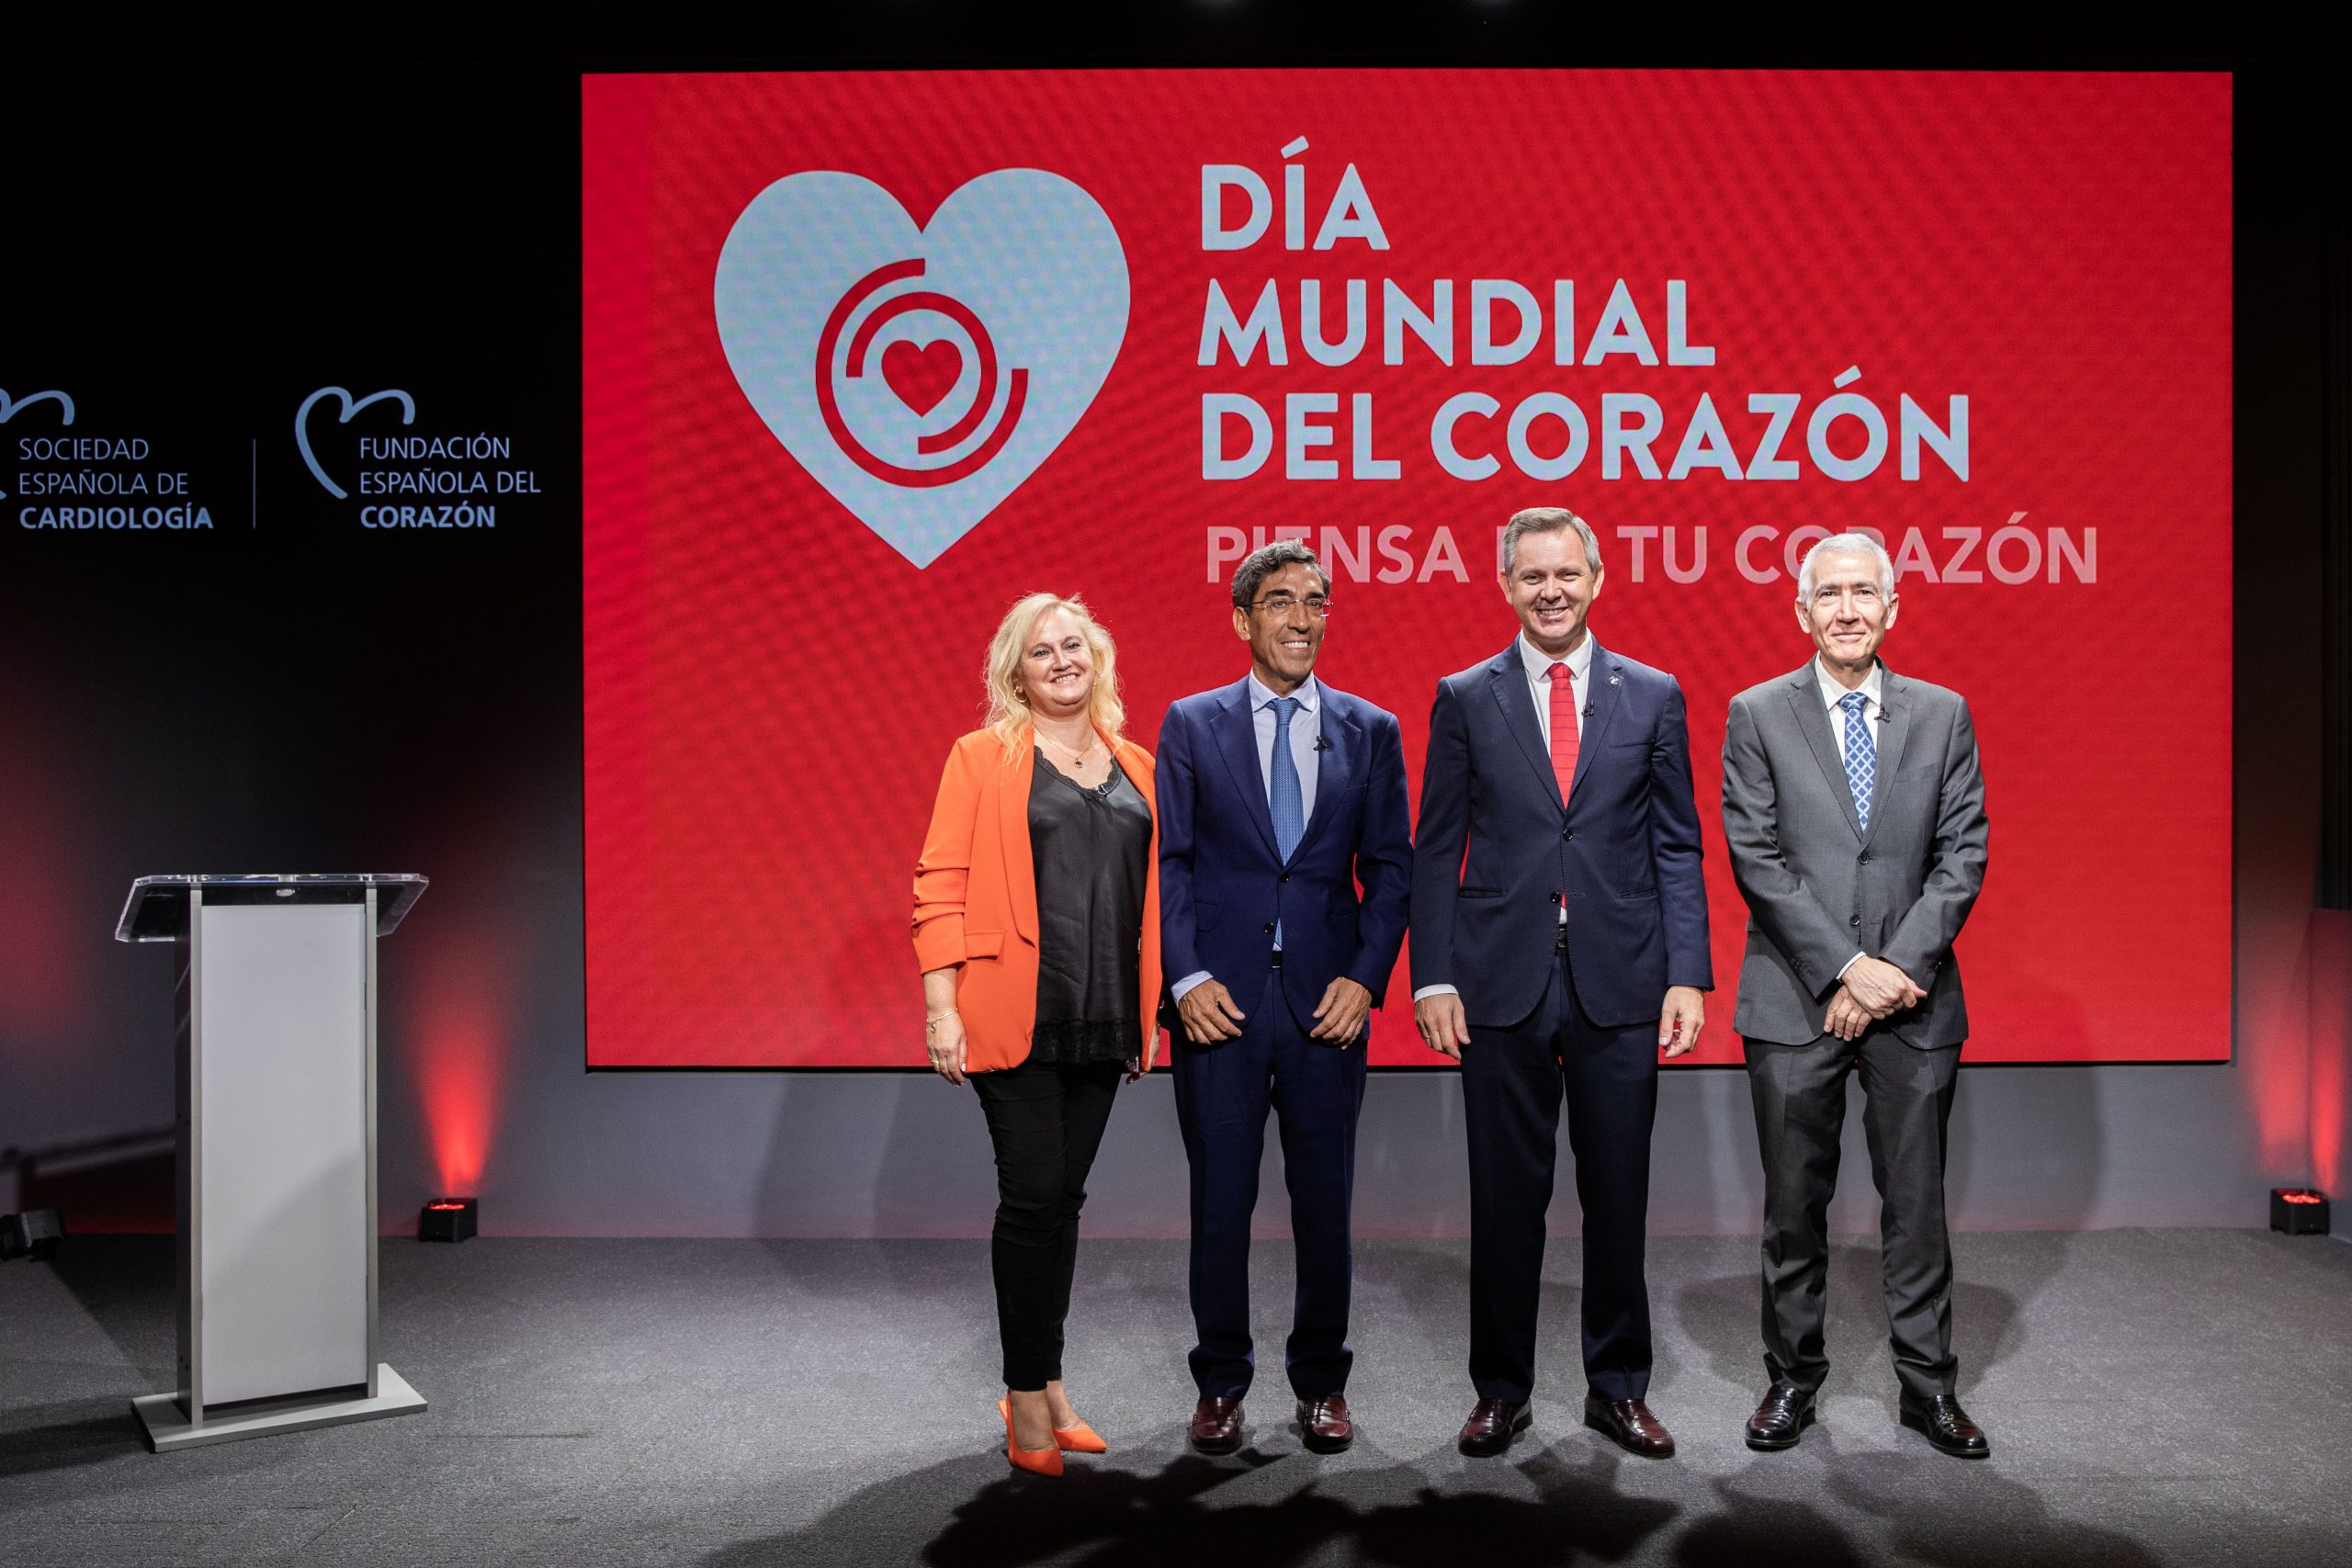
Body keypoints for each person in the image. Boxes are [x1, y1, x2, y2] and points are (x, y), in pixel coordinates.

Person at [1409, 505, 1711, 1461]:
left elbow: (1677, 844)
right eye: (1533, 576)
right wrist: (1430, 977)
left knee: (1618, 1196)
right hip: (1499, 980)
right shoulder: (1465, 696)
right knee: (1505, 1201)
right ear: (1506, 585)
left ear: (1597, 579)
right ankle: (1500, 1391)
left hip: (1622, 979)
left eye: (1567, 574)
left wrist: (1688, 974)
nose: (1551, 591)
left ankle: (1618, 1387)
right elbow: (1435, 848)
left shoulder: (1653, 694)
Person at [1719, 531, 1992, 1459]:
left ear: (1891, 608)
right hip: (1793, 1000)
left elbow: (1963, 854)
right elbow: (1756, 858)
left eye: (1863, 592)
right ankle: (1791, 1381)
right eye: (1829, 594)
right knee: (1793, 1207)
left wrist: (1886, 975)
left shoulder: (1943, 713)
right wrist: (1845, 967)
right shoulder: (1757, 713)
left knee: (1917, 1208)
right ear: (1801, 611)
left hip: (1914, 1001)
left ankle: (1929, 1388)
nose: (1846, 609)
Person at [1156, 541, 1413, 1457]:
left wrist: (1364, 978)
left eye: (1315, 602)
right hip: (1217, 1005)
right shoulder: (1191, 723)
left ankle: (1321, 1385)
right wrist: (1186, 977)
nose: (1301, 619)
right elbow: (1171, 862)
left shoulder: (1370, 729)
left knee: (1324, 1206)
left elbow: (1391, 870)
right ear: (1242, 619)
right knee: (1219, 1206)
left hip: (1324, 1007)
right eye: (1279, 602)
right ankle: (1221, 1383)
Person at [912, 592, 1164, 1478]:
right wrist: (942, 1006)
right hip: (1014, 1010)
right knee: (1032, 1199)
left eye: (1073, 645)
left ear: (1098, 656)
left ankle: (1049, 1383)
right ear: (1015, 674)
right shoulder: (982, 757)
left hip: (1107, 1015)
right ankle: (1023, 1393)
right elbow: (939, 881)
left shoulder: (1137, 763)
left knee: (1064, 1201)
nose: (1062, 661)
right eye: (1041, 651)